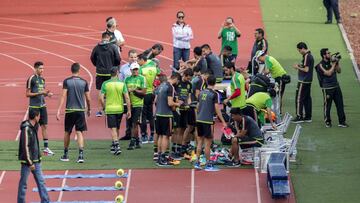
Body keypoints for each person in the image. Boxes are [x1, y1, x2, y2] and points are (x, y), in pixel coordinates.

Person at [56, 63, 91, 163]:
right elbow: (88, 98)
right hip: (80, 111)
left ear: (71, 70)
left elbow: (63, 96)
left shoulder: (67, 81)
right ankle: (80, 156)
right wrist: (89, 109)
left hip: (69, 110)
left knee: (67, 132)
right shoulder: (84, 82)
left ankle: (66, 155)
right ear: (79, 70)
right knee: (79, 132)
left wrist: (58, 110)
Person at [194, 75, 227, 171]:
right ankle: (208, 165)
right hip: (207, 121)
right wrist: (223, 121)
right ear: (215, 83)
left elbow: (198, 106)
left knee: (199, 142)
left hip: (199, 119)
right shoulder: (214, 94)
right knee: (207, 144)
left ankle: (197, 163)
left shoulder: (201, 93)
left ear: (207, 82)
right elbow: (217, 109)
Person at [17, 109, 50, 203]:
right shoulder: (26, 128)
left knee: (41, 182)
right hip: (27, 162)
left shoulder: (34, 126)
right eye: (38, 116)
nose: (39, 117)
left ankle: (46, 201)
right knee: (23, 184)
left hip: (36, 160)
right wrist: (30, 162)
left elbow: (42, 123)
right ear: (35, 117)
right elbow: (25, 146)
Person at [100, 66, 131, 155]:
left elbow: (101, 98)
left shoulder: (105, 84)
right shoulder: (122, 84)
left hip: (110, 109)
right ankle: (114, 144)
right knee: (117, 127)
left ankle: (116, 145)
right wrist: (129, 110)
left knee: (113, 128)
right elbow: (127, 98)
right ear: (117, 73)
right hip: (120, 109)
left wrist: (104, 107)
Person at [26, 61, 54, 156]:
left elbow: (42, 93)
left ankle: (46, 148)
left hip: (43, 106)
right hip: (34, 107)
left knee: (44, 126)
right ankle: (30, 147)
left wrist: (47, 94)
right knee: (33, 127)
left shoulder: (42, 79)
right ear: (36, 68)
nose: (42, 70)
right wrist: (40, 93)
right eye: (40, 68)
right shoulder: (31, 79)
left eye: (43, 68)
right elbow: (27, 94)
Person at [315, 48, 348, 128]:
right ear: (324, 55)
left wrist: (337, 63)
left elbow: (339, 71)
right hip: (327, 88)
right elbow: (328, 73)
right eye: (328, 53)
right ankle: (327, 121)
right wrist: (333, 64)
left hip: (336, 86)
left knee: (340, 104)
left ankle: (342, 122)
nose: (330, 54)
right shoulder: (320, 65)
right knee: (327, 105)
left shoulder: (332, 62)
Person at [90, 32, 121, 117]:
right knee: (111, 90)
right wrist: (114, 65)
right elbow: (118, 59)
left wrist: (97, 65)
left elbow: (92, 58)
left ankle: (100, 111)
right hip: (110, 72)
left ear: (102, 37)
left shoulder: (97, 47)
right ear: (109, 38)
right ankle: (111, 108)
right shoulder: (113, 47)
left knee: (100, 91)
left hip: (100, 72)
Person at [155, 73, 182, 166]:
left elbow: (155, 101)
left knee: (160, 136)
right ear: (176, 79)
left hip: (158, 114)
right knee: (165, 136)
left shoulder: (161, 86)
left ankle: (159, 156)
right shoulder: (170, 87)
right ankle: (163, 157)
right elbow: (170, 103)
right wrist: (179, 104)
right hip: (166, 115)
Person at [138, 54, 161, 143]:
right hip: (152, 93)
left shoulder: (141, 69)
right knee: (150, 114)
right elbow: (159, 75)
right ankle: (152, 134)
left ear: (142, 60)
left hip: (143, 94)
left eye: (138, 61)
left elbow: (138, 81)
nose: (138, 63)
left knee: (142, 116)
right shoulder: (154, 67)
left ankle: (144, 135)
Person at [124, 63, 147, 150]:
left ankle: (132, 141)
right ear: (131, 70)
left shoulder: (142, 78)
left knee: (135, 123)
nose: (135, 71)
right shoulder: (127, 79)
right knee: (131, 124)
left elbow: (144, 92)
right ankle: (137, 141)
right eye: (134, 69)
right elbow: (124, 91)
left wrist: (134, 89)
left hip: (138, 104)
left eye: (137, 69)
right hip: (130, 104)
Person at [292, 42, 314, 123]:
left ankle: (299, 116)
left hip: (303, 81)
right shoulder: (309, 55)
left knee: (299, 98)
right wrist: (300, 66)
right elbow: (306, 67)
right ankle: (308, 116)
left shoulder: (307, 56)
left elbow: (306, 70)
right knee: (307, 99)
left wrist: (297, 67)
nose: (299, 52)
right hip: (308, 81)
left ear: (302, 48)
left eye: (299, 50)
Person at [173, 68, 193, 157]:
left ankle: (181, 147)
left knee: (184, 129)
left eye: (190, 79)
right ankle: (174, 147)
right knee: (177, 129)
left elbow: (188, 96)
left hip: (186, 109)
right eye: (187, 78)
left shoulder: (189, 84)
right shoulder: (178, 82)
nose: (188, 80)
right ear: (184, 75)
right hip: (177, 109)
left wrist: (189, 103)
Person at [119, 49, 138, 141]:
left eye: (135, 57)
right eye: (131, 57)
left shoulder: (140, 67)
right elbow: (121, 80)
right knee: (128, 113)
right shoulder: (123, 68)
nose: (133, 59)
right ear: (128, 57)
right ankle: (128, 133)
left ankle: (138, 136)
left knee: (137, 116)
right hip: (126, 94)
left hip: (138, 95)